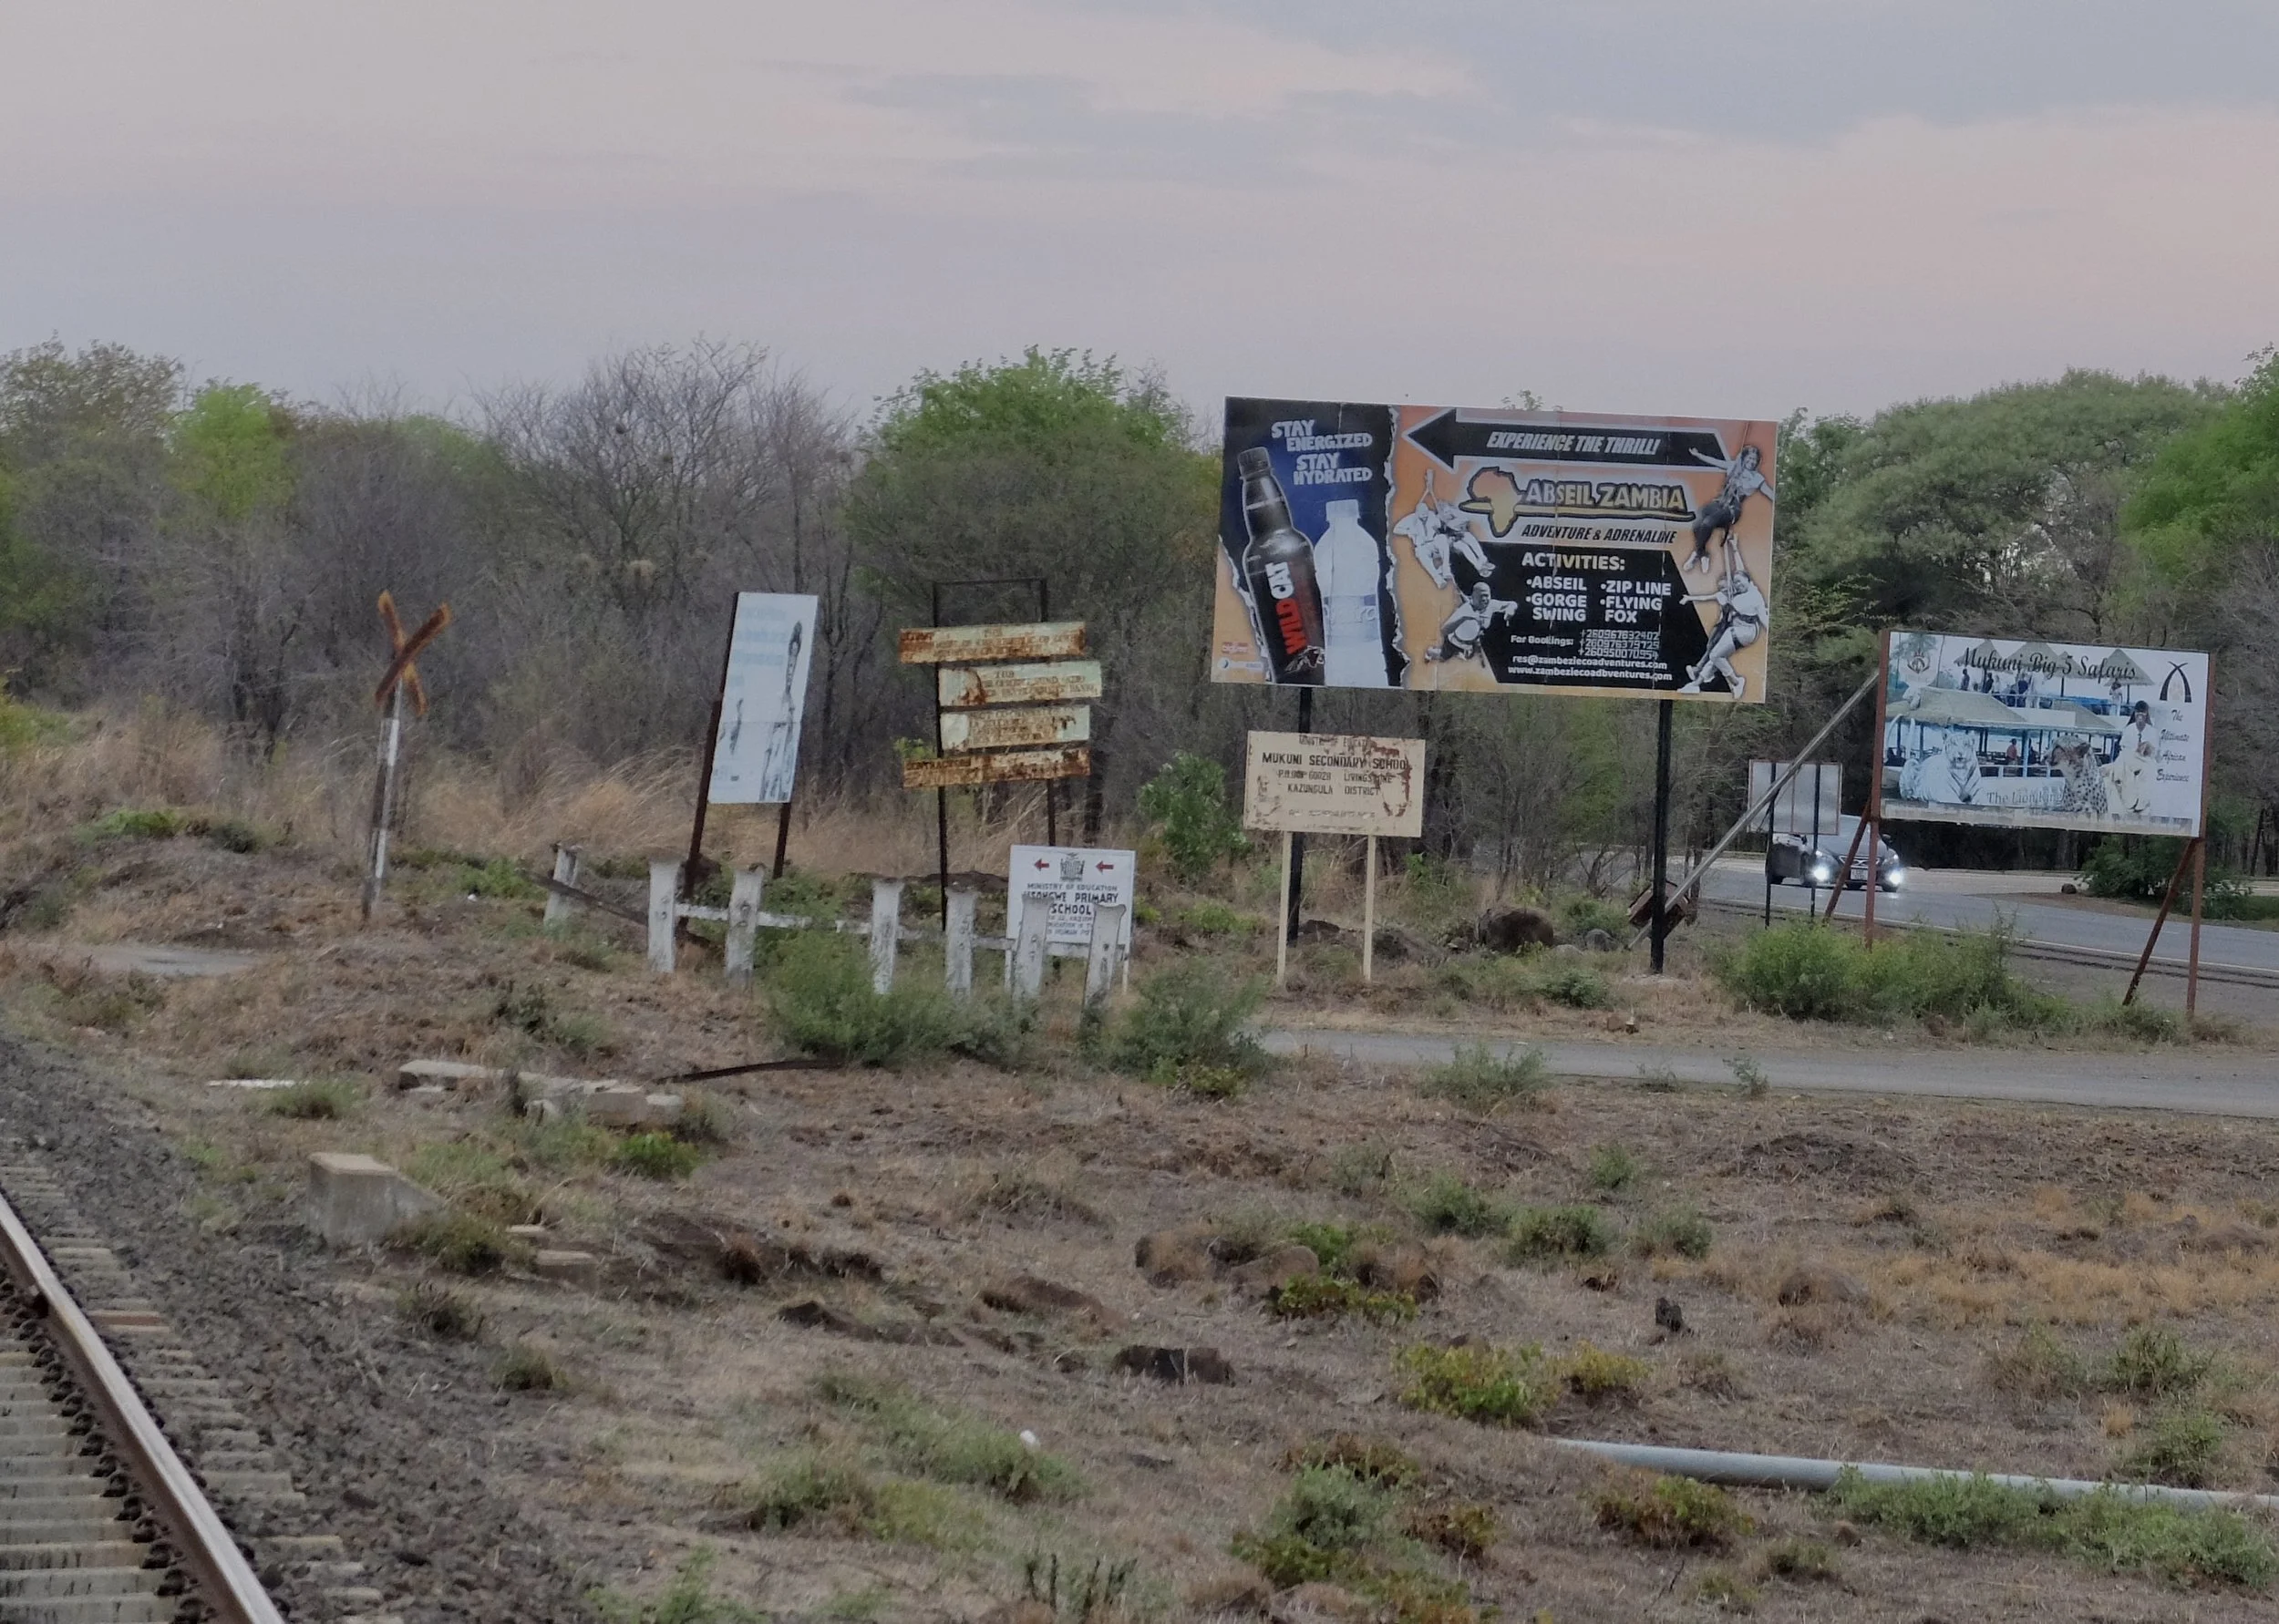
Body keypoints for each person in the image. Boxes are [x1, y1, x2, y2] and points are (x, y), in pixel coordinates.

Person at [1677, 555, 1769, 699]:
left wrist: (1771, 633)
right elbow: (1739, 568)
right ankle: (1696, 684)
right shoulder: (1736, 592)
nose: (1738, 585)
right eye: (1736, 583)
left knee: (1715, 655)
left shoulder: (1754, 596)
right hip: (1734, 628)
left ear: (1748, 580)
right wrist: (1735, 548)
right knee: (1715, 654)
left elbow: (1763, 617)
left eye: (1740, 582)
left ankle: (1736, 682)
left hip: (1745, 632)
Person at [1685, 444, 1774, 572]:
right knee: (1698, 521)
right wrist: (1698, 455)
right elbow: (1714, 461)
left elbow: (1769, 492)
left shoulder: (1757, 478)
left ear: (1757, 462)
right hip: (1720, 502)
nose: (1751, 462)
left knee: (1708, 522)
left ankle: (1696, 553)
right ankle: (1703, 553)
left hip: (1733, 508)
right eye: (1749, 458)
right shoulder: (1734, 467)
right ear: (1743, 458)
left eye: (1754, 459)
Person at [1392, 473, 1490, 590]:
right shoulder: (1412, 519)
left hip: (1443, 544)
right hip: (1426, 546)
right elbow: (1396, 529)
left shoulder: (1434, 516)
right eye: (1422, 515)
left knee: (1459, 541)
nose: (1424, 517)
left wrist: (1449, 520)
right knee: (1423, 553)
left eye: (1426, 514)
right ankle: (1438, 579)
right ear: (1417, 513)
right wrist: (1409, 532)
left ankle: (1477, 564)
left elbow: (1450, 523)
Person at [1422, 581, 1516, 667]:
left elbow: (1512, 604)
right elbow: (1444, 630)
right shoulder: (1465, 610)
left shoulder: (1492, 605)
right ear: (1473, 597)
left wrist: (1510, 611)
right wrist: (1464, 618)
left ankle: (1464, 653)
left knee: (1470, 658)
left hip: (1472, 642)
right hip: (1455, 641)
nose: (1484, 599)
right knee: (1443, 657)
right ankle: (1430, 652)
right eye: (1481, 596)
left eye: (1486, 595)